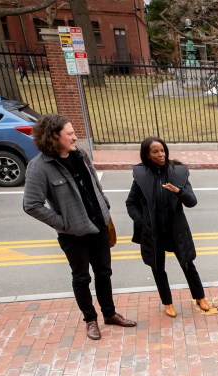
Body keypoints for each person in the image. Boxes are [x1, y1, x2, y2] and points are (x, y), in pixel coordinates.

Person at [23, 114, 136, 341]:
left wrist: (104, 205)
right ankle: (90, 320)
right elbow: (31, 205)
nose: (75, 137)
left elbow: (94, 182)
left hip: (99, 227)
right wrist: (63, 223)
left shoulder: (80, 154)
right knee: (81, 277)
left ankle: (110, 313)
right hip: (73, 235)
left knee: (104, 273)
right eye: (70, 133)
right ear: (54, 137)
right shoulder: (39, 167)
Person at [126, 136, 213, 318]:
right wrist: (142, 222)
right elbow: (131, 203)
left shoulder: (178, 172)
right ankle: (168, 303)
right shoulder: (141, 175)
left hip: (176, 228)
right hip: (154, 232)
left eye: (162, 150)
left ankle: (200, 297)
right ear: (147, 155)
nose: (160, 155)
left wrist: (179, 191)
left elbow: (192, 201)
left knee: (188, 263)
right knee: (157, 268)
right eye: (155, 152)